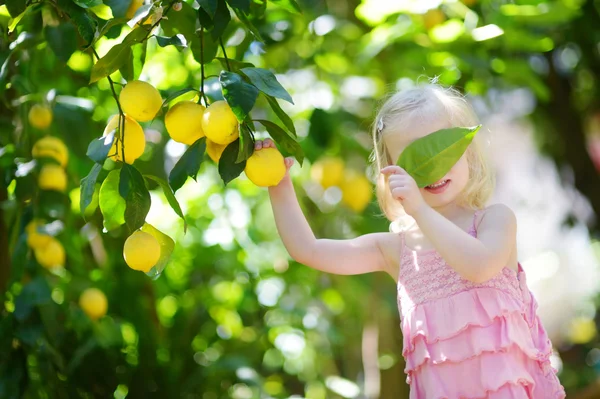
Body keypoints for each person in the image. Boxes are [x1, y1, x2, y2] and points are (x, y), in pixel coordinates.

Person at [260, 82, 566, 398]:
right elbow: (308, 250)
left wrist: (419, 210)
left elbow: (479, 266)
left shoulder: (495, 220)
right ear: (391, 175)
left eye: (440, 149)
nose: (432, 168)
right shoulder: (398, 249)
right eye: (413, 159)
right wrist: (278, 184)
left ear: (467, 152)